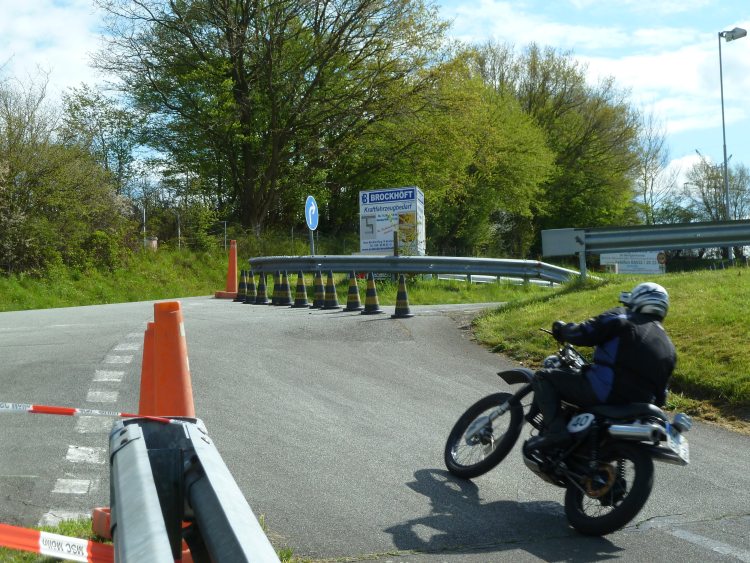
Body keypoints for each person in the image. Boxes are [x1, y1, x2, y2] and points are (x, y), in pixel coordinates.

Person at [527, 282, 677, 451]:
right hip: (638, 407)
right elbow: (662, 396)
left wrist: (563, 330)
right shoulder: (669, 347)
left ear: (638, 299)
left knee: (543, 377)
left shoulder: (623, 317)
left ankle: (556, 433)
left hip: (604, 391)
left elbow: (584, 333)